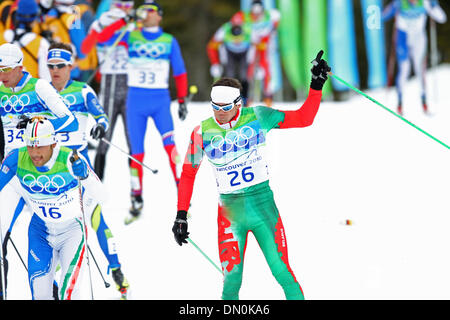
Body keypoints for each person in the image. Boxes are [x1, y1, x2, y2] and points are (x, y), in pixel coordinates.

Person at [172, 51, 330, 300]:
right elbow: (188, 173)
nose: (219, 113)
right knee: (232, 280)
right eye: (215, 107)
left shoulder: (258, 116)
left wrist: (316, 85)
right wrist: (181, 215)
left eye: (225, 107)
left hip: (263, 205)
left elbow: (303, 118)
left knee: (282, 272)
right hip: (230, 213)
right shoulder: (200, 133)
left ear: (238, 103)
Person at [46, 42, 130, 298]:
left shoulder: (82, 91)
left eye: (60, 66)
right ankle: (53, 277)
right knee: (54, 223)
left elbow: (102, 116)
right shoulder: (42, 91)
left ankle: (116, 268)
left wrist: (100, 127)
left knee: (94, 218)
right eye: (51, 66)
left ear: (71, 67)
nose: (55, 71)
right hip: (48, 167)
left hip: (76, 162)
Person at [94, 0, 189, 224]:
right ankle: (136, 198)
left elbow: (180, 71)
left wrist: (183, 98)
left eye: (151, 10)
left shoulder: (168, 41)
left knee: (170, 146)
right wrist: (124, 21)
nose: (146, 14)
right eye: (143, 10)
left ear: (160, 16)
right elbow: (102, 38)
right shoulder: (131, 35)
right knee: (137, 152)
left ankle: (183, 193)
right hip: (135, 101)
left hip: (160, 101)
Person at [0, 42, 78, 299]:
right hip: (12, 171)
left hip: (42, 169)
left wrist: (37, 123)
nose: (3, 76)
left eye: (7, 70)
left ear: (21, 67)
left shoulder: (40, 87)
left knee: (57, 233)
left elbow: (69, 119)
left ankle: (54, 283)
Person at [0, 117, 104, 299]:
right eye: (30, 146)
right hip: (40, 233)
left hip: (72, 232)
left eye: (40, 146)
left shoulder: (70, 159)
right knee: (40, 295)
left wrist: (86, 175)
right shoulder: (16, 159)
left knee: (68, 293)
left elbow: (103, 196)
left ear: (53, 144)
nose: (34, 153)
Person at [81, 0, 134, 181]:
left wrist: (128, 26)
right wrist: (118, 24)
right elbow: (87, 46)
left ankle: (136, 192)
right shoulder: (103, 20)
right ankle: (97, 184)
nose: (125, 8)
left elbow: (133, 45)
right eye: (121, 4)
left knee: (133, 141)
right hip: (109, 82)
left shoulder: (134, 23)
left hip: (130, 82)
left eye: (129, 4)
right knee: (104, 140)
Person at [383, 0, 447, 116]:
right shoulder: (400, 2)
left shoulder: (426, 2)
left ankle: (424, 102)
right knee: (404, 69)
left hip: (418, 38)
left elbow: (442, 18)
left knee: (420, 70)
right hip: (403, 38)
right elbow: (384, 16)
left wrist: (434, 7)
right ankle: (399, 103)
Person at [207, 11, 254, 106]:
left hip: (244, 53)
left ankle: (245, 99)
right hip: (229, 53)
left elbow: (261, 47)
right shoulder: (224, 30)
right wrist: (215, 63)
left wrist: (259, 64)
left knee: (244, 75)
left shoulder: (249, 30)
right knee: (230, 75)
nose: (237, 40)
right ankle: (228, 98)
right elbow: (211, 46)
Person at [241, 0, 280, 107]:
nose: (257, 14)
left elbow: (274, 27)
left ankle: (268, 97)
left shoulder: (270, 15)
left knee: (266, 70)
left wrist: (270, 33)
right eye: (254, 11)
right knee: (250, 71)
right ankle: (247, 97)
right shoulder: (246, 17)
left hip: (265, 48)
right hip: (252, 47)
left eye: (259, 11)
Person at [2, 0, 51, 81]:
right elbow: (46, 78)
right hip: (30, 92)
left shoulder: (2, 37)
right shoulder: (41, 43)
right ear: (35, 18)